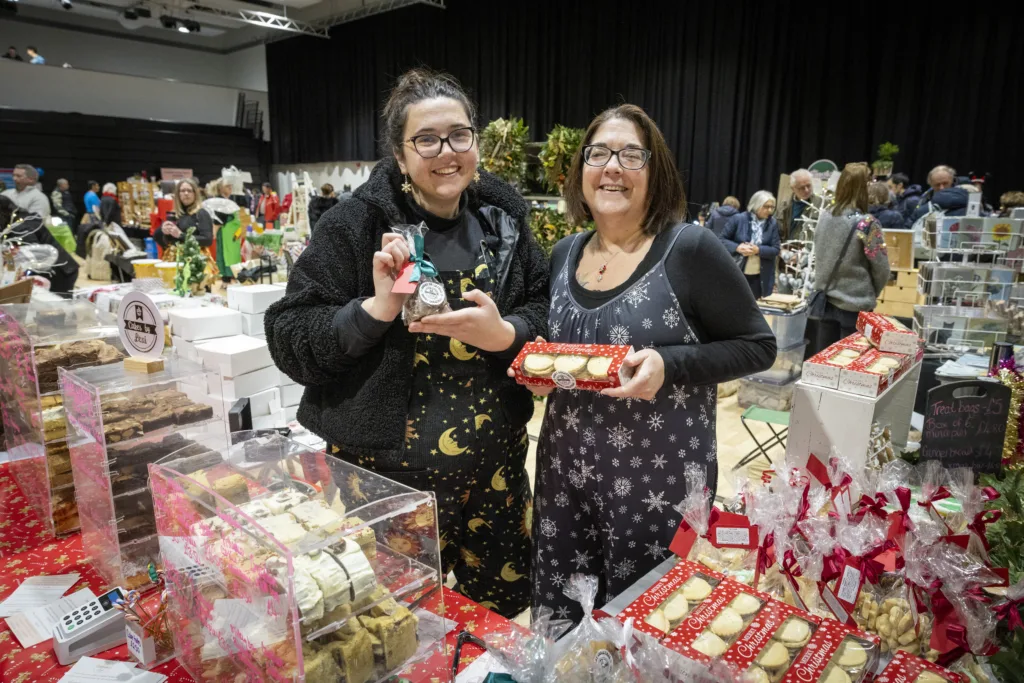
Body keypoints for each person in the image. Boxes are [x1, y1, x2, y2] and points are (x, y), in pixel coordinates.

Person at [265, 68, 549, 619]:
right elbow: (288, 334)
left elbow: (542, 306)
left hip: (498, 473)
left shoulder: (504, 220)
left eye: (460, 134)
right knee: (399, 624)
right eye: (426, 140)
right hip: (385, 479)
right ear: (399, 154)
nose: (447, 152)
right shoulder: (354, 226)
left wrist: (507, 334)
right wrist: (374, 311)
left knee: (500, 617)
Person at [524, 104, 776, 624]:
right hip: (564, 483)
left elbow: (758, 345)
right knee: (564, 628)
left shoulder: (688, 249)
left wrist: (670, 363)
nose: (612, 166)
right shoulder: (563, 253)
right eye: (598, 153)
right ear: (581, 170)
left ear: (654, 172)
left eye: (631, 155)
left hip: (656, 491)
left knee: (649, 632)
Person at [811, 163, 890, 351]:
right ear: (864, 186)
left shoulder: (824, 217)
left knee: (825, 360)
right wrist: (871, 293)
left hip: (825, 300)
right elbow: (881, 268)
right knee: (850, 365)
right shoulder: (867, 224)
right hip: (856, 303)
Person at [0, 196, 79, 293]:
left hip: (59, 272)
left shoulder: (20, 228)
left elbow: (32, 257)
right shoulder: (20, 219)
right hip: (61, 269)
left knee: (55, 305)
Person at [720, 190, 781, 299]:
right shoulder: (739, 219)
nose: (770, 210)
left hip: (761, 277)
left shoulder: (773, 224)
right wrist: (737, 247)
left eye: (772, 207)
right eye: (766, 206)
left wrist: (758, 250)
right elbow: (721, 239)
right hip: (738, 272)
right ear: (756, 205)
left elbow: (776, 249)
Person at [156, 178, 213, 251]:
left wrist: (181, 235)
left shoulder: (202, 213)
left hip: (195, 258)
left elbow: (207, 240)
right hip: (174, 256)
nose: (186, 193)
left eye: (189, 191)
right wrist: (163, 232)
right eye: (183, 191)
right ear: (178, 194)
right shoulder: (174, 214)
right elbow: (164, 242)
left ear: (195, 194)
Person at [905, 165, 969, 229]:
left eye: (945, 183)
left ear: (953, 181)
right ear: (931, 185)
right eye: (937, 185)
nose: (942, 188)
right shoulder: (923, 203)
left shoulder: (969, 203)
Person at [780, 168, 822, 240]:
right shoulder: (784, 205)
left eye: (808, 185)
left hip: (808, 248)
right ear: (793, 188)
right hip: (786, 247)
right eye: (801, 188)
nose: (806, 190)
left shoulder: (820, 203)